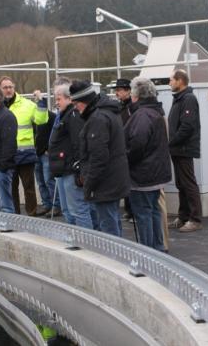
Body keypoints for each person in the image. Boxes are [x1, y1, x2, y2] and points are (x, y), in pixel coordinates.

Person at [71, 80, 130, 236]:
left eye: (76, 104)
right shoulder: (108, 112)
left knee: (108, 228)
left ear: (84, 101)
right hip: (113, 180)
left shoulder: (98, 119)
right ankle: (118, 250)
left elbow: (98, 157)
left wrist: (88, 184)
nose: (75, 108)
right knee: (113, 222)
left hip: (105, 183)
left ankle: (114, 252)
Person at [124, 77, 172, 251]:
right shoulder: (155, 111)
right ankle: (157, 248)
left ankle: (148, 253)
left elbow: (137, 145)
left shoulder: (142, 115)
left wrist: (125, 160)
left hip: (143, 176)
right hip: (155, 173)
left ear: (136, 95)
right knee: (153, 212)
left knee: (144, 214)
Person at [0, 76, 49, 216]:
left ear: (14, 87)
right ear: (0, 89)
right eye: (5, 87)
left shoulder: (27, 104)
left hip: (25, 155)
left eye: (10, 87)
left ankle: (31, 215)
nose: (8, 90)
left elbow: (41, 120)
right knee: (11, 188)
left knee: (29, 188)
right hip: (7, 155)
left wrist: (41, 102)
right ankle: (14, 216)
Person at [49, 80, 96, 229]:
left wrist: (78, 168)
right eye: (55, 99)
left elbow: (79, 143)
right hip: (62, 170)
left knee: (78, 210)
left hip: (71, 171)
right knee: (68, 210)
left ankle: (86, 240)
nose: (56, 103)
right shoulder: (64, 115)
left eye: (59, 99)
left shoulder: (73, 115)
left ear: (69, 99)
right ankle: (75, 237)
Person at [167, 69, 203, 232]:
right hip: (177, 148)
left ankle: (195, 219)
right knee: (181, 184)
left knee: (188, 183)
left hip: (184, 148)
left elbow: (187, 126)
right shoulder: (179, 98)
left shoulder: (188, 99)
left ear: (180, 81)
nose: (169, 83)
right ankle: (183, 217)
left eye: (171, 80)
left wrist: (171, 142)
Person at [112, 78, 135, 222]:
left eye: (119, 90)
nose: (117, 93)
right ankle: (128, 209)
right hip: (122, 147)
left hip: (130, 147)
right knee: (126, 180)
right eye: (116, 90)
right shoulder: (120, 107)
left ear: (128, 91)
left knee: (132, 181)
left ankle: (133, 211)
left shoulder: (132, 107)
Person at [34, 106, 60, 216]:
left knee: (49, 180)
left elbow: (56, 134)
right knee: (40, 182)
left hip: (46, 155)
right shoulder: (34, 117)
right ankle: (46, 205)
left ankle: (56, 206)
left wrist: (50, 149)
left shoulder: (52, 116)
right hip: (36, 153)